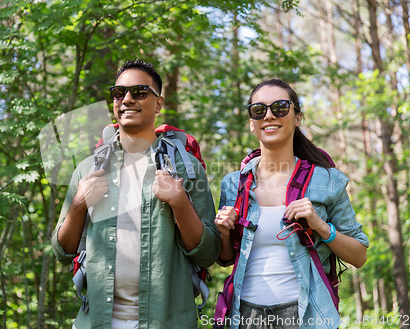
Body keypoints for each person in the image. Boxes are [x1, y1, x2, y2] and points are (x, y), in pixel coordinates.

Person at [51, 59, 221, 329]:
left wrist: (180, 203)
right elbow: (62, 251)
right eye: (119, 93)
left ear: (159, 103)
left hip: (166, 321)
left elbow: (209, 253)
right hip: (96, 321)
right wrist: (79, 204)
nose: (127, 99)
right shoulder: (88, 169)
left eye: (140, 92)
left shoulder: (186, 169)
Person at [214, 79, 369, 329]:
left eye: (281, 107)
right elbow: (225, 258)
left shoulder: (328, 179)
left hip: (306, 314)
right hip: (244, 315)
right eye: (258, 110)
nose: (269, 115)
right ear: (251, 123)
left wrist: (321, 226)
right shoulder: (233, 184)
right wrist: (223, 233)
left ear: (298, 117)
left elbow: (359, 255)